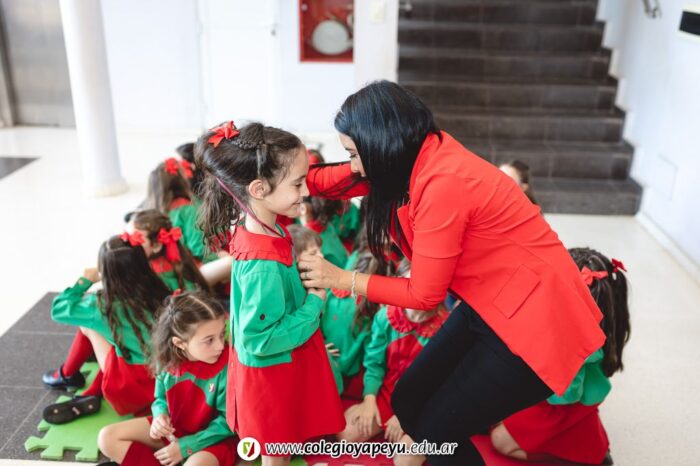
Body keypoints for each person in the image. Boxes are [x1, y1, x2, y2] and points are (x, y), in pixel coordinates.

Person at [297, 81, 606, 465]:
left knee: (434, 432)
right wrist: (290, 180)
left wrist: (342, 279)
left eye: (355, 154)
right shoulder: (416, 155)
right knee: (409, 399)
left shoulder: (442, 182)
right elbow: (344, 178)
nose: (354, 165)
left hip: (537, 322)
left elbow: (423, 295)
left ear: (381, 145)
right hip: (495, 301)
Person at [195, 121, 344, 465]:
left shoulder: (262, 225)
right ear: (259, 188)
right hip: (271, 376)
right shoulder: (262, 262)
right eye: (297, 183)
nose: (305, 192)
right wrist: (314, 303)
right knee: (276, 453)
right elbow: (260, 338)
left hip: (281, 366)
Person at [491, 248, 630, 465]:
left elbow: (566, 397)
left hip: (560, 404)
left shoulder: (575, 346)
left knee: (499, 440)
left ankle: (579, 457)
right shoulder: (592, 331)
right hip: (565, 399)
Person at [98, 291, 236, 466]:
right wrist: (159, 417)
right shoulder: (167, 360)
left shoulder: (228, 365)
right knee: (107, 438)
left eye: (222, 334)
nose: (220, 345)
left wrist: (186, 447)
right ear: (179, 343)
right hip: (176, 430)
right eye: (209, 340)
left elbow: (228, 423)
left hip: (213, 440)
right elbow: (160, 399)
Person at [44, 235, 171, 423]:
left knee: (88, 326)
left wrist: (84, 281)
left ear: (105, 272)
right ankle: (90, 390)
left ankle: (66, 375)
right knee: (121, 339)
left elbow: (58, 309)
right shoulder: (160, 289)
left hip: (130, 389)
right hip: (167, 384)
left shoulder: (101, 306)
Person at [339, 260, 447, 466]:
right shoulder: (386, 316)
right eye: (413, 286)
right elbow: (375, 363)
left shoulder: (444, 327)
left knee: (405, 460)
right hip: (389, 393)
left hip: (423, 404)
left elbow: (437, 384)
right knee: (346, 434)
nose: (419, 296)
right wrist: (369, 400)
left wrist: (404, 416)